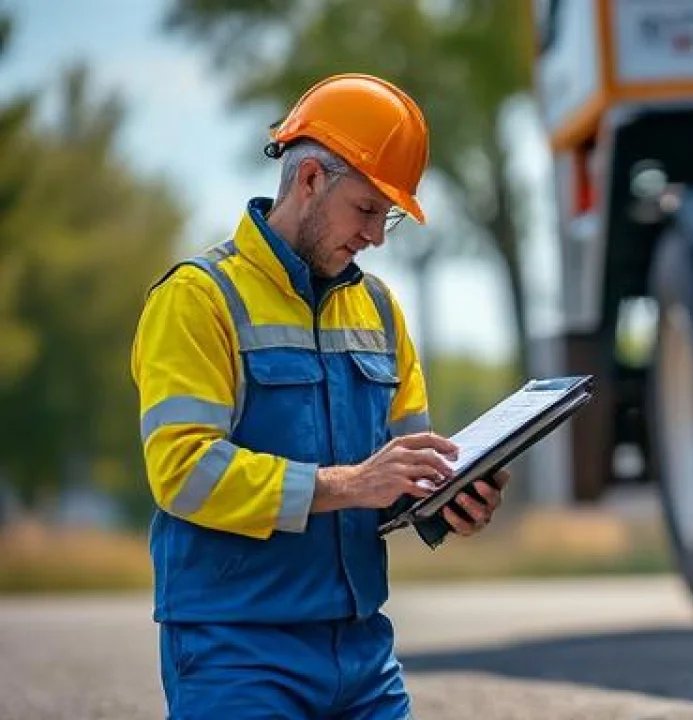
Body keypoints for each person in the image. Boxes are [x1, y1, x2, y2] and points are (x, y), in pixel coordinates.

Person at [130, 73, 509, 719]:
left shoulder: (381, 311)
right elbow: (182, 473)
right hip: (236, 652)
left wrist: (450, 502)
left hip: (362, 654)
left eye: (386, 216)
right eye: (366, 209)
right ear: (309, 180)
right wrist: (348, 484)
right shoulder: (196, 299)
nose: (377, 236)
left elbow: (403, 478)